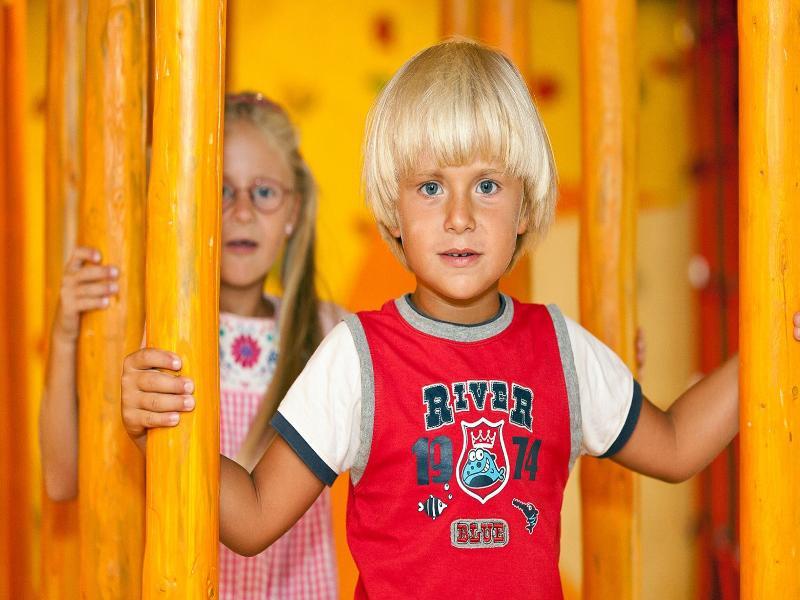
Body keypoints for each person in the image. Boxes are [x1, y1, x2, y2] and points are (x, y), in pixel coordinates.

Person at [120, 41, 799, 599]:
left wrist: (775, 342)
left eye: (487, 185)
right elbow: (253, 518)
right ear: (393, 212)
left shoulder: (560, 349)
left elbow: (676, 445)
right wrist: (159, 430)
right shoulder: (357, 356)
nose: (459, 217)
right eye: (430, 187)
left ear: (526, 207)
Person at [40, 92, 340, 599]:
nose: (241, 212)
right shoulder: (154, 337)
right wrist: (67, 334)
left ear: (293, 209)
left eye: (263, 192)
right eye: (219, 191)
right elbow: (61, 479)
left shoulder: (329, 332)